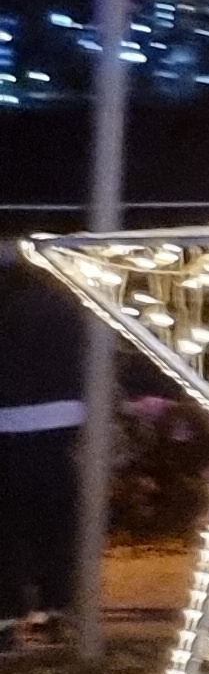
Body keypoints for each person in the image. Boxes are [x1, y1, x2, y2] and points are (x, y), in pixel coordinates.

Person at [0, 245, 91, 647]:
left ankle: (7, 613)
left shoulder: (12, 300)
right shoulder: (62, 297)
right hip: (62, 414)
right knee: (56, 516)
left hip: (8, 417)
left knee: (9, 522)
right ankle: (55, 607)